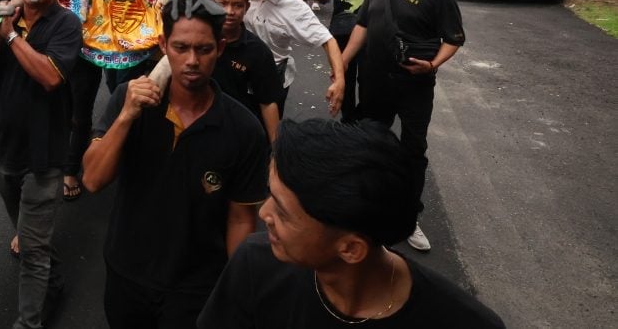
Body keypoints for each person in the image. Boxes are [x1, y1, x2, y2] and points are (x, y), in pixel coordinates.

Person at [198, 119, 506, 328]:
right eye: (270, 196)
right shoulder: (254, 265)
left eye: (283, 212)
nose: (264, 214)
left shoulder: (464, 321)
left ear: (351, 249)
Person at [82, 0, 269, 328]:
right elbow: (93, 180)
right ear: (163, 45)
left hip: (197, 287)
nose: (192, 61)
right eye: (181, 48)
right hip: (127, 274)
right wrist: (126, 117)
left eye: (203, 49)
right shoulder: (129, 100)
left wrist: (235, 290)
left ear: (220, 48)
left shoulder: (243, 129)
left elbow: (240, 219)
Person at [0, 0, 82, 329]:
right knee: (28, 233)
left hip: (45, 155)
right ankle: (53, 283)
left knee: (33, 252)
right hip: (6, 149)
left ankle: (29, 322)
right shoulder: (7, 17)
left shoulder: (67, 25)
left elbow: (50, 77)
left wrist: (10, 37)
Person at [341, 0, 466, 252]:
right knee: (370, 142)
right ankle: (367, 206)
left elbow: (453, 39)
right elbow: (363, 25)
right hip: (374, 80)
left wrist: (432, 64)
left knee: (412, 150)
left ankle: (409, 216)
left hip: (415, 87)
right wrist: (342, 63)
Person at [245, 0, 345, 124]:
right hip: (240, 71)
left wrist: (340, 80)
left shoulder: (295, 8)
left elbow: (328, 40)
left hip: (273, 74)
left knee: (267, 127)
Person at [300, 0, 380, 123]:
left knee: (369, 81)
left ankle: (366, 121)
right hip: (341, 32)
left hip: (370, 36)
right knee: (344, 76)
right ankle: (348, 121)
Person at [211, 0, 284, 142]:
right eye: (223, 3)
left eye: (237, 5)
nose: (229, 11)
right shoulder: (198, 39)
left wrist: (276, 149)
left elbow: (268, 102)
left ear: (247, 7)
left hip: (239, 134)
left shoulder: (257, 52)